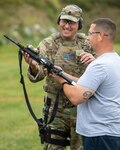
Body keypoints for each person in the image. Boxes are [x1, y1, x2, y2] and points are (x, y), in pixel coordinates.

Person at [23, 4, 95, 150]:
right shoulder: (48, 44)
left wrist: (94, 60)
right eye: (64, 21)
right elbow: (38, 75)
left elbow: (104, 69)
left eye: (72, 22)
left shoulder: (88, 44)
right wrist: (32, 65)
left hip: (82, 109)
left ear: (79, 24)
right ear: (59, 22)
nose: (67, 26)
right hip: (55, 110)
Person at [52, 18, 120, 150]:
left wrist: (61, 80)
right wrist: (62, 73)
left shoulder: (99, 66)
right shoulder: (115, 61)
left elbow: (77, 97)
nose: (87, 38)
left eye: (90, 33)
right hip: (112, 133)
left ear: (100, 36)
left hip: (100, 135)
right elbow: (87, 85)